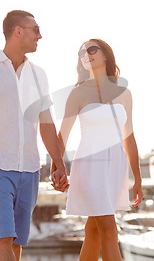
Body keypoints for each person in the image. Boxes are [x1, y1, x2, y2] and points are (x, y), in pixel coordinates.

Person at [0, 10, 69, 261]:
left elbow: (46, 123)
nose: (40, 35)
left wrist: (58, 162)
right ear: (18, 31)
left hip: (30, 170)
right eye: (35, 29)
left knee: (16, 244)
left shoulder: (39, 74)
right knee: (3, 237)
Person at [54, 38, 143, 260]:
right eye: (81, 52)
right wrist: (57, 168)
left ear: (105, 54)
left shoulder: (124, 93)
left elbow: (129, 138)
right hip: (90, 166)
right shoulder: (78, 93)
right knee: (110, 230)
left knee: (93, 232)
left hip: (115, 167)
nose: (86, 54)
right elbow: (61, 136)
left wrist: (138, 179)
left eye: (91, 49)